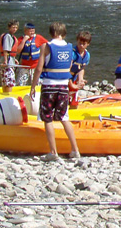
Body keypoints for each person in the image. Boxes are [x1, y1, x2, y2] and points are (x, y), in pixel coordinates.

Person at [30, 22, 82, 162]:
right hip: (63, 87)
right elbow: (70, 67)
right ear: (63, 34)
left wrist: (33, 86)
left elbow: (39, 68)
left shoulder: (46, 47)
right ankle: (75, 150)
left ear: (51, 33)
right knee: (64, 117)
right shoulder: (69, 48)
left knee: (47, 118)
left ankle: (53, 152)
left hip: (49, 86)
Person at [16, 23, 47, 87]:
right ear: (25, 31)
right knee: (20, 84)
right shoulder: (21, 39)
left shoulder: (38, 37)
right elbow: (18, 51)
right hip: (25, 66)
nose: (32, 32)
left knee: (37, 84)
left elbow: (48, 45)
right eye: (30, 31)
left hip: (35, 66)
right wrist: (24, 41)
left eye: (33, 30)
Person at [69, 31, 92, 108]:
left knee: (74, 99)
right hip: (66, 78)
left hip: (75, 78)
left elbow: (81, 69)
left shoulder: (87, 55)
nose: (81, 45)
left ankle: (73, 112)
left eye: (84, 44)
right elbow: (67, 70)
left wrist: (81, 80)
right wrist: (71, 84)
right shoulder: (72, 53)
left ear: (88, 44)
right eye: (79, 43)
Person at [0, 20, 21, 94]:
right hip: (7, 61)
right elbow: (6, 50)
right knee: (9, 81)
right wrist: (5, 61)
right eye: (13, 27)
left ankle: (5, 94)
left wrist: (14, 59)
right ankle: (8, 95)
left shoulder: (11, 37)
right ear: (9, 27)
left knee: (6, 80)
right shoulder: (8, 36)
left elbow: (10, 51)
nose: (15, 29)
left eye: (16, 27)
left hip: (10, 59)